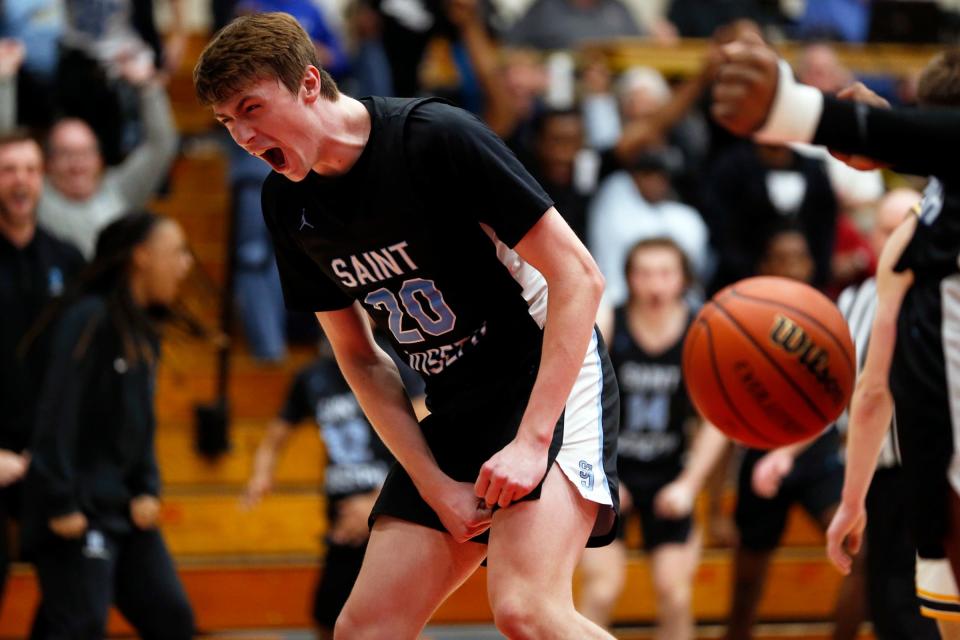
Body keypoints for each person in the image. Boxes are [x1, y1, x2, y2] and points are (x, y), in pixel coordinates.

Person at [194, 12, 619, 640]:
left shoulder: (433, 137)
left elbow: (579, 277)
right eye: (228, 122)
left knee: (527, 611)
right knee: (365, 630)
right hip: (454, 402)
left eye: (252, 108)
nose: (244, 136)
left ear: (309, 83)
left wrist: (532, 441)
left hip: (545, 376)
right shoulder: (286, 203)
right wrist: (435, 484)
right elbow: (359, 358)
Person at [710, 38, 960, 627]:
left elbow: (876, 390)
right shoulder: (914, 231)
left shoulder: (911, 236)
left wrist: (803, 112)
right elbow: (872, 389)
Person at [22, 211, 194, 639]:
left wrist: (147, 487)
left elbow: (140, 423)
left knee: (171, 617)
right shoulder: (88, 319)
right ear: (141, 257)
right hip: (77, 507)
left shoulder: (143, 331)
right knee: (80, 623)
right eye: (177, 252)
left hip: (123, 508)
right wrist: (60, 501)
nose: (186, 264)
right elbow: (55, 414)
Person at [577, 237, 728, 638]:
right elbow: (577, 404)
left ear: (683, 279)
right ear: (629, 278)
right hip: (609, 473)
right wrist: (600, 473)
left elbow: (718, 420)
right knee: (602, 588)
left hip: (668, 474)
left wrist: (689, 485)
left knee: (675, 593)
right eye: (644, 274)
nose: (655, 284)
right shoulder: (610, 321)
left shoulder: (700, 331)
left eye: (665, 273)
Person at [725, 227, 866, 640]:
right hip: (758, 453)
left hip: (817, 454)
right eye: (779, 258)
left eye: (798, 257)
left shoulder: (831, 318)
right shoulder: (740, 318)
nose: (790, 266)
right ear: (765, 266)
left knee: (862, 550)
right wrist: (716, 504)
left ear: (810, 265)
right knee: (746, 580)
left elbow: (845, 393)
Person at [244, 332, 423, 637]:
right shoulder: (312, 376)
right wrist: (262, 473)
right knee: (328, 617)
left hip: (389, 514)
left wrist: (376, 500)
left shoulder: (394, 362)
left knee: (390, 622)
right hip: (342, 520)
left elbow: (426, 440)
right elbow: (275, 438)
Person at [830, 188, 939, 639]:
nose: (896, 241)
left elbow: (874, 393)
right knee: (891, 603)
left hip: (934, 471)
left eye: (905, 229)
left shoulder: (933, 297)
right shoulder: (848, 303)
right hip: (882, 473)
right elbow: (842, 395)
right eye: (887, 230)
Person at [0, 130, 84, 608]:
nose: (20, 181)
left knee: (74, 598)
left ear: (43, 179)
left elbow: (77, 368)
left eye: (30, 170)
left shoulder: (66, 258)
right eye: (9, 169)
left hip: (49, 456)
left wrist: (53, 453)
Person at [0, 44, 179, 259]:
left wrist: (148, 86)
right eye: (65, 154)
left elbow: (161, 145)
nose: (77, 165)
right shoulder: (39, 197)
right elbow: (6, 147)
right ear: (48, 163)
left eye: (85, 153)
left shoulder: (121, 190)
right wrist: (4, 82)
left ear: (100, 159)